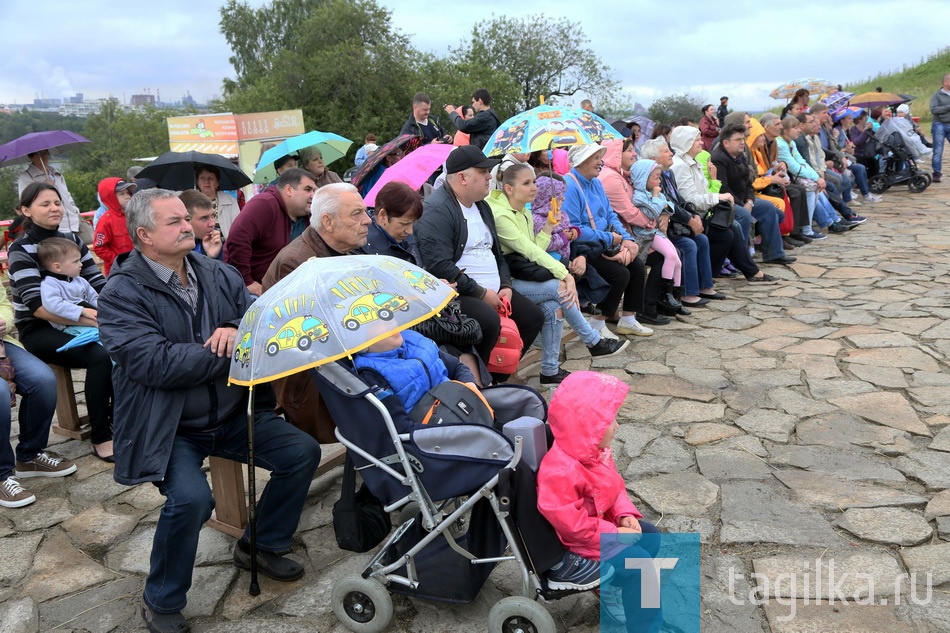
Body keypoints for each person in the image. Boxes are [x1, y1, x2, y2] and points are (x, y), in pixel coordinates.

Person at [97, 189, 321, 633]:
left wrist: (236, 327)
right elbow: (152, 363)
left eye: (188, 218)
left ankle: (259, 544)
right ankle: (161, 599)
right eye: (174, 221)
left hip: (234, 413)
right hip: (170, 427)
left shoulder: (216, 272)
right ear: (144, 235)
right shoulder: (119, 294)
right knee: (192, 499)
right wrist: (225, 350)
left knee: (301, 452)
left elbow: (258, 318)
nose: (188, 226)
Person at [536, 371, 661, 631]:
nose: (617, 425)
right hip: (578, 544)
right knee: (641, 566)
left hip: (601, 528)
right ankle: (645, 626)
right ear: (587, 427)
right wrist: (616, 534)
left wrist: (623, 514)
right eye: (609, 420)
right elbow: (572, 527)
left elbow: (613, 487)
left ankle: (612, 587)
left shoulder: (594, 452)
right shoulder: (560, 471)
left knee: (652, 536)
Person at [488, 164, 628, 384]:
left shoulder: (523, 210)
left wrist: (547, 227)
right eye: (527, 183)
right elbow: (529, 250)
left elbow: (535, 246)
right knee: (560, 288)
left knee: (554, 308)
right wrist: (566, 274)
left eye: (534, 181)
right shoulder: (501, 215)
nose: (533, 187)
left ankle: (550, 370)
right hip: (505, 281)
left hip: (524, 275)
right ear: (508, 188)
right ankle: (592, 340)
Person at [413, 145, 544, 370]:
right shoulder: (436, 210)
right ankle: (478, 380)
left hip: (493, 291)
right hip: (458, 294)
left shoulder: (482, 206)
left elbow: (497, 253)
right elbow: (439, 265)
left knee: (533, 317)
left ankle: (498, 376)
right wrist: (481, 293)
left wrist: (506, 284)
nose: (489, 176)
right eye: (483, 172)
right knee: (488, 321)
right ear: (463, 177)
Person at [9, 183, 115, 461]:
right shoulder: (21, 249)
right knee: (100, 356)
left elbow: (97, 283)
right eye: (45, 204)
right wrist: (91, 320)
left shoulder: (73, 240)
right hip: (39, 328)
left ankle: (122, 419)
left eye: (57, 202)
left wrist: (114, 311)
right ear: (25, 211)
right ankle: (102, 435)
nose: (54, 208)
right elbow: (38, 307)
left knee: (125, 344)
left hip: (84, 319)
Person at [262, 183, 369, 443]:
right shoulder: (296, 263)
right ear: (328, 222)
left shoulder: (346, 250)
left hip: (342, 359)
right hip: (309, 379)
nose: (367, 221)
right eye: (357, 214)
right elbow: (319, 338)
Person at [563, 143, 660, 334]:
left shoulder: (596, 183)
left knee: (637, 266)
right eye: (596, 158)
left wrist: (627, 240)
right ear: (581, 161)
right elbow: (574, 229)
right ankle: (597, 323)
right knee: (619, 274)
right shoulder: (570, 186)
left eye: (600, 157)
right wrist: (610, 238)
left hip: (604, 243)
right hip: (582, 248)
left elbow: (610, 215)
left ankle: (628, 319)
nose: (601, 162)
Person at [669, 127, 777, 284]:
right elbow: (690, 200)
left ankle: (742, 273)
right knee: (727, 232)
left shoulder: (693, 162)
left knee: (730, 229)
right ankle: (708, 277)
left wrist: (716, 191)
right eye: (697, 140)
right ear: (686, 143)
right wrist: (718, 197)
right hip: (690, 219)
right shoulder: (680, 166)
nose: (701, 143)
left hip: (702, 214)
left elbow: (705, 191)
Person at [0, 288, 75, 508]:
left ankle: (30, 455)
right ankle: (2, 475)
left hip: (3, 345)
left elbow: (4, 304)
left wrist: (3, 321)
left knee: (42, 379)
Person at [598, 138, 682, 316]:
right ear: (615, 154)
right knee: (659, 257)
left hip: (636, 232)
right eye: (628, 150)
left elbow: (660, 201)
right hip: (629, 234)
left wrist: (665, 213)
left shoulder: (621, 175)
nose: (634, 153)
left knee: (675, 253)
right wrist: (653, 221)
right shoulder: (611, 178)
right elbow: (629, 212)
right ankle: (646, 309)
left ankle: (661, 302)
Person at [638, 138, 722, 307]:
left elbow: (679, 199)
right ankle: (685, 294)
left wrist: (693, 215)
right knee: (687, 245)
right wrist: (689, 220)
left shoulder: (668, 173)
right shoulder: (650, 177)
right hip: (661, 228)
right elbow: (668, 205)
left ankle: (704, 286)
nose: (671, 153)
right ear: (654, 159)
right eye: (666, 151)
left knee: (702, 240)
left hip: (675, 223)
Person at [223, 168, 317, 296]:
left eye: (314, 190)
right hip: (259, 293)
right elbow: (237, 239)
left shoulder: (309, 216)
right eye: (308, 189)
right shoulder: (264, 204)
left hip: (292, 291)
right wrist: (247, 282)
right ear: (289, 190)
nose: (313, 195)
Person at [711, 124, 794, 265]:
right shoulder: (718, 159)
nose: (742, 142)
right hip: (727, 202)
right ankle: (741, 260)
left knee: (771, 210)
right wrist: (742, 204)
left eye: (742, 139)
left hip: (745, 199)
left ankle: (774, 254)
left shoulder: (739, 155)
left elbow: (748, 183)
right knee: (744, 215)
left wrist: (749, 201)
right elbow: (723, 188)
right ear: (726, 142)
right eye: (738, 140)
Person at [352, 329, 476, 412]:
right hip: (429, 428)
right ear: (362, 342)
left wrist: (468, 382)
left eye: (385, 315)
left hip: (455, 403)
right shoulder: (369, 372)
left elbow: (456, 366)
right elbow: (398, 423)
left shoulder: (414, 339)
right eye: (376, 324)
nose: (389, 322)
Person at [37, 237, 100, 339]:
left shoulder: (80, 280)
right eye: (76, 261)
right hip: (70, 327)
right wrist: (82, 311)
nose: (81, 264)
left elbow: (94, 298)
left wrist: (103, 309)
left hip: (92, 321)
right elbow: (54, 305)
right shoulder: (49, 284)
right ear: (57, 267)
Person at [17, 149, 85, 241]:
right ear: (31, 157)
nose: (44, 156)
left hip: (72, 222)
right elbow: (26, 200)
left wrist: (75, 210)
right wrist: (44, 185)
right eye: (39, 154)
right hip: (55, 225)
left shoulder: (56, 173)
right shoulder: (26, 177)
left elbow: (67, 195)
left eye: (46, 153)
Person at [92, 177, 137, 275]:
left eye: (127, 193)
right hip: (119, 272)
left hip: (138, 267)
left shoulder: (133, 215)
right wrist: (119, 261)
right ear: (110, 197)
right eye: (122, 194)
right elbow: (100, 248)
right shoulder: (105, 221)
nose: (127, 196)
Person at [196, 166, 241, 240]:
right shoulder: (190, 202)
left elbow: (238, 228)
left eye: (211, 178)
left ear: (217, 183)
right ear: (198, 182)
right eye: (202, 178)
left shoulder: (230, 201)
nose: (206, 182)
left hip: (225, 245)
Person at [179, 190, 222, 259]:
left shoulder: (214, 240)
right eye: (204, 218)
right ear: (186, 220)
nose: (212, 224)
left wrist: (212, 257)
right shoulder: (174, 250)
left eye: (212, 216)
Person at [929, 72, 950, 183]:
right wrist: (948, 107)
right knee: (938, 150)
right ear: (945, 82)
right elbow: (934, 110)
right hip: (939, 124)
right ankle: (936, 173)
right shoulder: (937, 95)